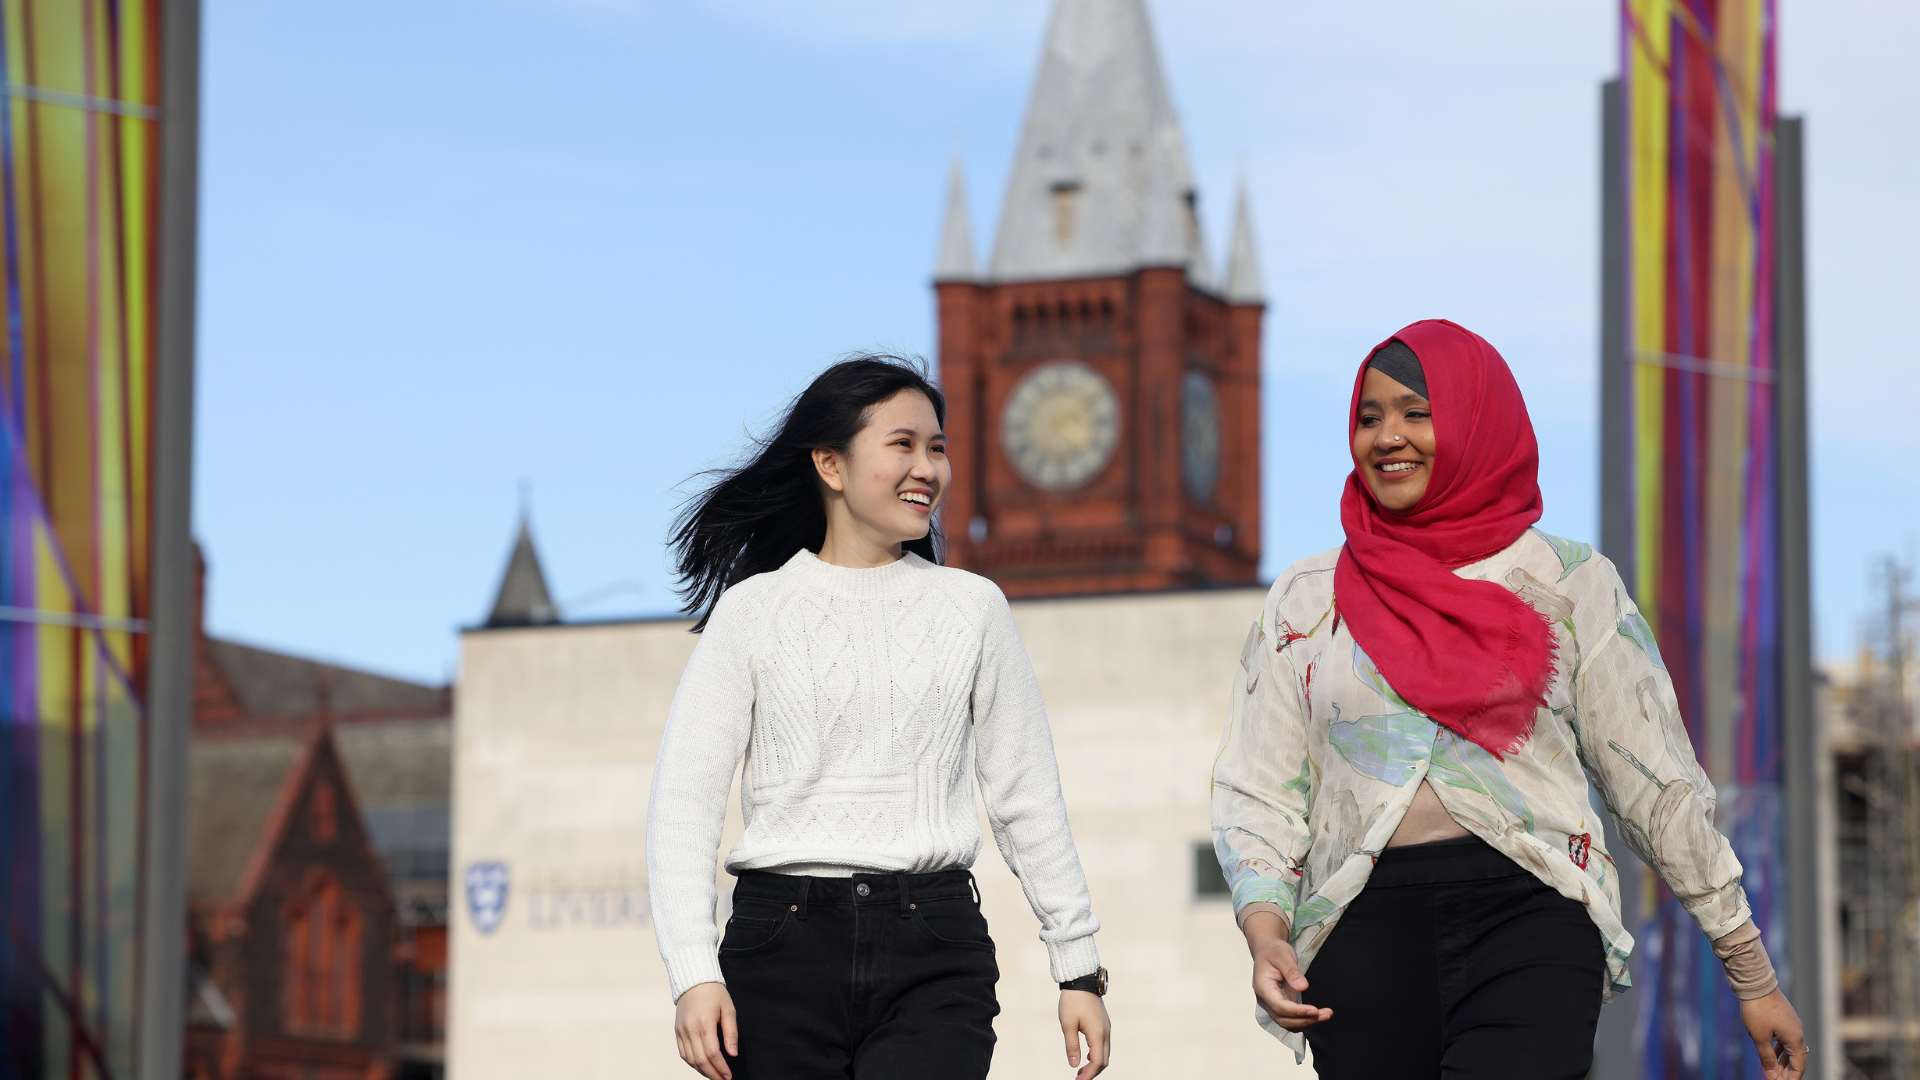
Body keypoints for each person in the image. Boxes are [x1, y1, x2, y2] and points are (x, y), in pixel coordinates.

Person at [1210, 320, 1807, 1078]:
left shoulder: (1567, 581)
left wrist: (1750, 973)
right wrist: (1267, 935)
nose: (1388, 436)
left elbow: (1657, 786)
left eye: (1416, 412)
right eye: (1369, 417)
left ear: (1472, 417)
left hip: (1528, 915)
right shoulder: (1306, 599)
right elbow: (1256, 791)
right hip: (1358, 935)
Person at [647, 355, 1112, 1080]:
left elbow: (1026, 798)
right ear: (830, 465)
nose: (927, 467)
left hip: (933, 945)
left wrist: (1078, 967)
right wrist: (692, 971)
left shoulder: (973, 609)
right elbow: (685, 802)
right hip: (778, 948)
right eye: (903, 444)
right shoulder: (753, 613)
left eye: (938, 447)